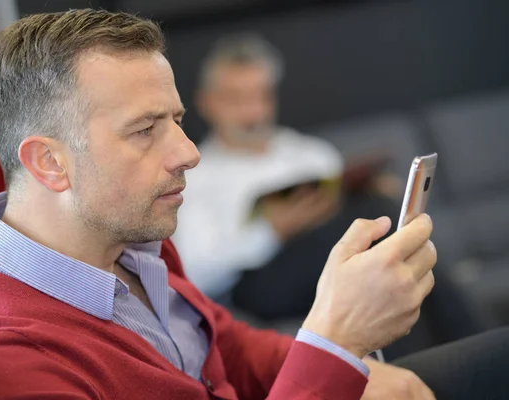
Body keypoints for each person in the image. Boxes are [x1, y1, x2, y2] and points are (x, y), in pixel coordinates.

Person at [0, 9, 509, 400]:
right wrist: (337, 342)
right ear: (49, 162)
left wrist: (357, 368)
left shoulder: (133, 246)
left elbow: (230, 345)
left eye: (177, 121)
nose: (188, 153)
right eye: (144, 130)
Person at [172, 34, 483, 358]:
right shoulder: (197, 174)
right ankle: (477, 347)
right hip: (260, 283)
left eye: (261, 96)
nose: (252, 112)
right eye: (236, 99)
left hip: (334, 260)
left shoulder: (307, 152)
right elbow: (195, 271)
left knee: (378, 225)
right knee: (379, 227)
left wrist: (362, 192)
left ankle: (448, 364)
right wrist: (271, 232)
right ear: (207, 102)